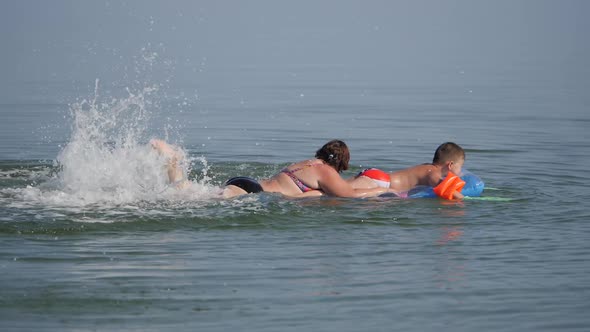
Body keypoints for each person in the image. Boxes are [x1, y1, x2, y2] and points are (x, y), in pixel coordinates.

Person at [150, 138, 395, 199]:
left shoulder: (305, 163)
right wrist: (378, 192)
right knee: (188, 198)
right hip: (254, 193)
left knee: (191, 193)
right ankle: (172, 160)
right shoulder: (326, 172)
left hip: (247, 183)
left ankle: (173, 161)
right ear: (340, 164)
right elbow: (349, 197)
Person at [351, 142, 466, 200]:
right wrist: (467, 199)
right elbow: (446, 190)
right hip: (381, 181)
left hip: (377, 176)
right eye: (460, 166)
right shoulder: (433, 173)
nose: (460, 171)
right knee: (341, 195)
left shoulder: (427, 167)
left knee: (341, 189)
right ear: (450, 164)